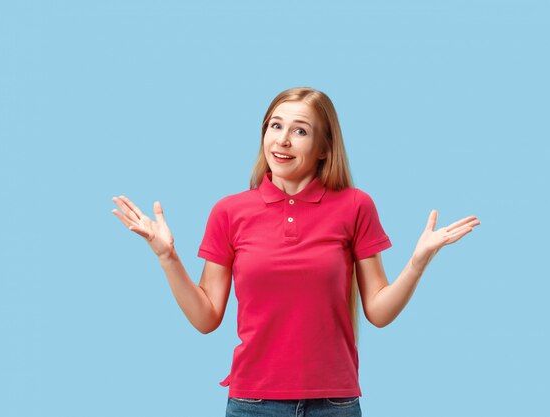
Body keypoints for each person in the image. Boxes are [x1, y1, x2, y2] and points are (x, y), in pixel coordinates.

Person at [111, 87, 481, 417]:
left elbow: (379, 312)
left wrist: (418, 263)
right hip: (253, 403)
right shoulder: (229, 211)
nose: (282, 140)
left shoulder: (355, 206)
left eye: (299, 131)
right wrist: (167, 258)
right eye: (275, 126)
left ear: (323, 148)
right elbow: (206, 317)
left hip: (335, 403)